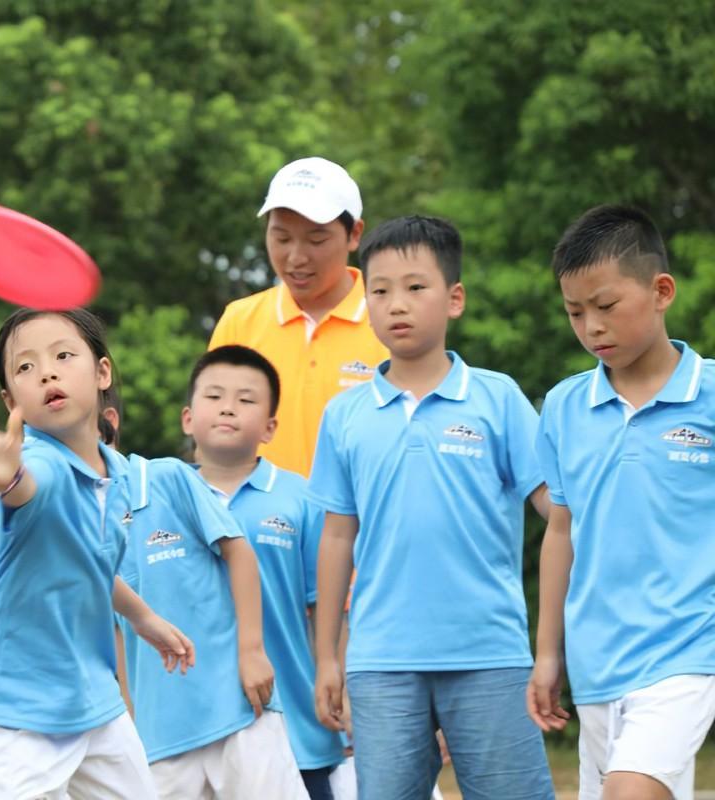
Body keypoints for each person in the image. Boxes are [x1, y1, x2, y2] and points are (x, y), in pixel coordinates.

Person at [310, 216, 554, 799]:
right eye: (380, 289)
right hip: (380, 661)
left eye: (416, 287)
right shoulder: (345, 416)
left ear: (455, 298)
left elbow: (558, 510)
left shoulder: (497, 398)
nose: (397, 303)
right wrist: (327, 657)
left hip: (489, 652)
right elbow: (337, 538)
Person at [0, 307, 195, 800]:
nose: (46, 372)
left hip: (90, 695)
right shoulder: (42, 463)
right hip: (12, 707)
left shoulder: (119, 476)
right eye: (25, 367)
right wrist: (12, 477)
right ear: (10, 399)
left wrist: (144, 619)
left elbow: (90, 560)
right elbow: (30, 487)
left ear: (102, 372)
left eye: (63, 355)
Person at [528, 204, 715, 800]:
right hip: (597, 663)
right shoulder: (562, 406)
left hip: (688, 649)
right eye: (574, 313)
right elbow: (561, 531)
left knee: (630, 792)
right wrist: (547, 653)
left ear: (661, 291)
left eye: (605, 307)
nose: (591, 327)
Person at [183, 345, 345, 799]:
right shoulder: (160, 499)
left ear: (271, 426)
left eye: (247, 399)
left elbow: (329, 609)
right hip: (188, 736)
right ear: (187, 417)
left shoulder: (303, 500)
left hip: (294, 728)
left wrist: (341, 683)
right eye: (214, 396)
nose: (229, 407)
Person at [117, 424, 306, 797]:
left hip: (238, 708)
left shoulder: (167, 478)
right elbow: (115, 630)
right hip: (159, 736)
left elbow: (239, 553)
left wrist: (252, 651)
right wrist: (130, 719)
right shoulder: (80, 521)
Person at [208, 156, 389, 478]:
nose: (296, 257)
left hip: (359, 525)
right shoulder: (240, 321)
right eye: (281, 239)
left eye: (316, 240)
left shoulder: (390, 321)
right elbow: (210, 440)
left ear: (354, 234)